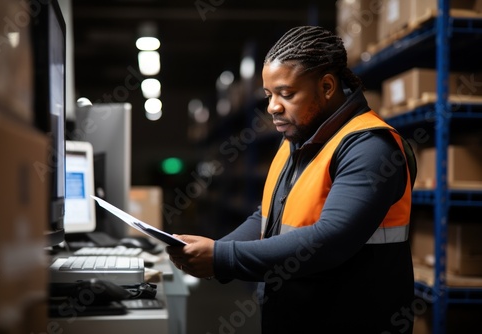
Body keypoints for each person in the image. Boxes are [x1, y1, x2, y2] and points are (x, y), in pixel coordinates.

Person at [166, 25, 416, 334]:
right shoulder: (295, 141)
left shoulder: (370, 148)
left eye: (287, 94)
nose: (272, 107)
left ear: (326, 87)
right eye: (269, 95)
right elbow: (267, 217)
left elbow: (330, 240)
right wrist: (216, 247)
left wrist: (222, 258)